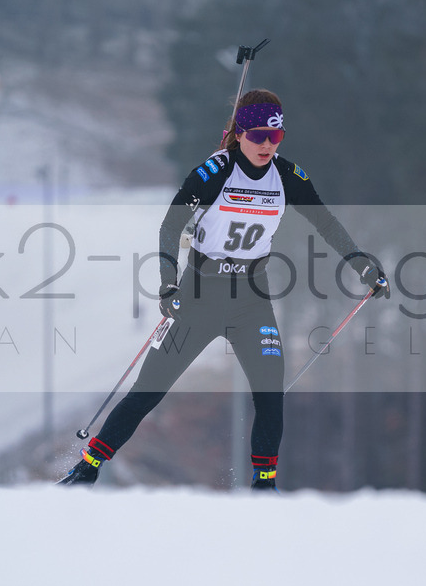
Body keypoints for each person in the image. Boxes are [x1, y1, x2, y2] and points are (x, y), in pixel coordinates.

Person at [58, 89, 389, 490]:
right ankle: (87, 468)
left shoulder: (288, 176)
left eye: (275, 136)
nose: (267, 145)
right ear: (240, 133)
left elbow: (325, 222)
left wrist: (361, 264)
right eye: (258, 136)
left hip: (251, 298)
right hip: (199, 296)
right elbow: (171, 225)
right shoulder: (215, 171)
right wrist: (168, 284)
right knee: (149, 391)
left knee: (269, 392)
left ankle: (264, 485)